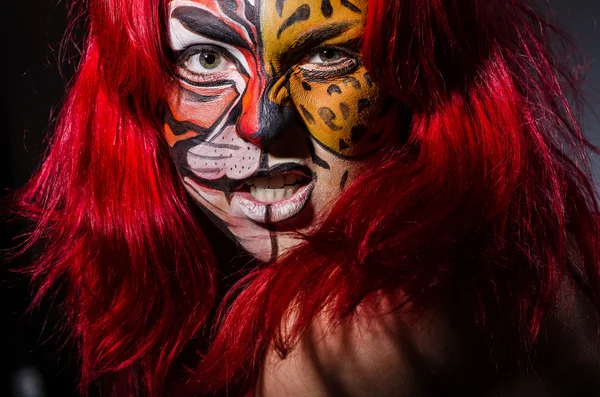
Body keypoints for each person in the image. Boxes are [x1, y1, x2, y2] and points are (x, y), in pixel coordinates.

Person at [11, 0, 600, 395]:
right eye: (205, 59)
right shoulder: (547, 247)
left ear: (418, 69)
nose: (259, 124)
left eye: (325, 55)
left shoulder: (342, 334)